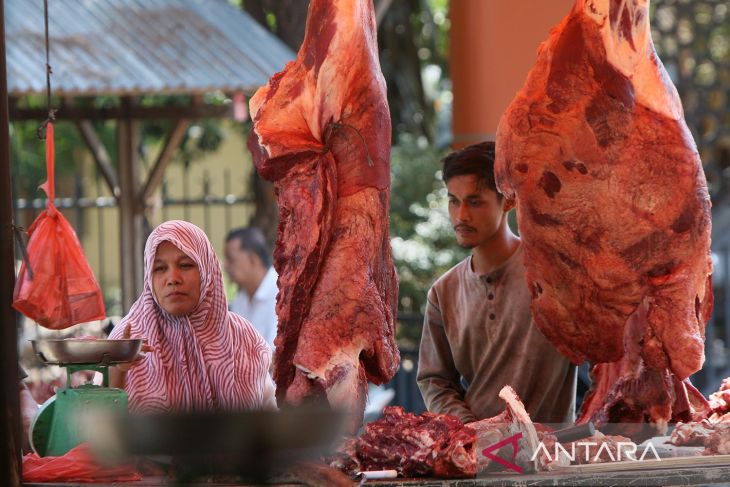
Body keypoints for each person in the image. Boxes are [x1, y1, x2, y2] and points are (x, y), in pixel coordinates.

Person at [416, 142, 576, 425]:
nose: (461, 215)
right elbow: (434, 380)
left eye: (475, 201)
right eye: (454, 200)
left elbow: (607, 355)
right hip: (478, 458)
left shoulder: (556, 272)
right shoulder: (443, 292)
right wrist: (471, 430)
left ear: (509, 201)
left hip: (552, 453)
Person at [109, 220, 276, 413]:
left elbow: (269, 418)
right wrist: (118, 369)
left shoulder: (242, 338)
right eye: (160, 268)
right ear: (149, 278)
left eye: (186, 265)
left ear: (207, 269)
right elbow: (100, 425)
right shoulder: (127, 340)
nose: (173, 279)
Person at [224, 227, 278, 349]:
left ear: (253, 259)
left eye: (231, 259)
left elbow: (277, 358)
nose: (226, 266)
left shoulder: (280, 293)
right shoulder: (241, 297)